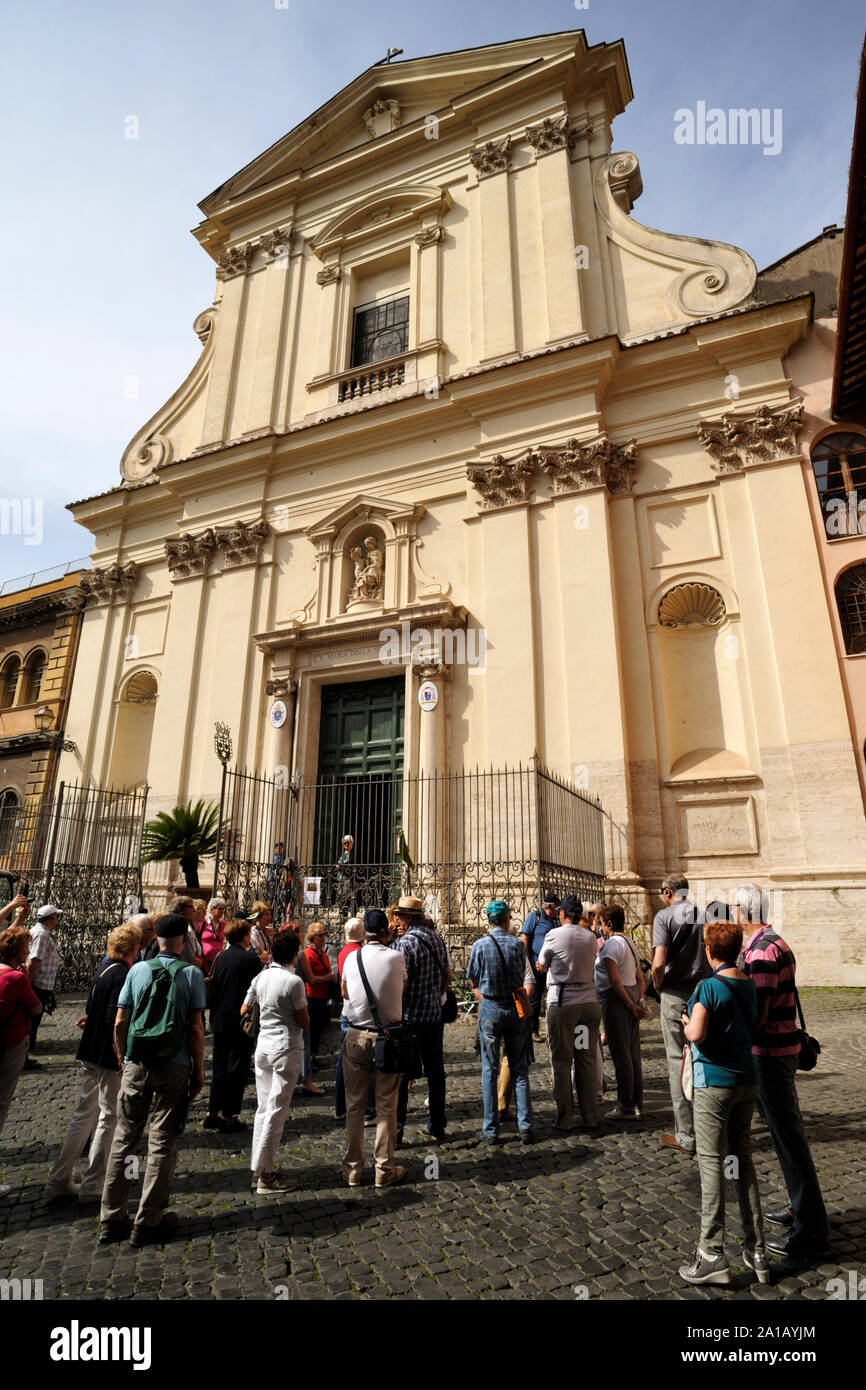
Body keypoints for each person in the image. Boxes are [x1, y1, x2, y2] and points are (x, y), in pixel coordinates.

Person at [99, 912, 205, 1247]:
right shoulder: (192, 973)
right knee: (161, 1142)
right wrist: (199, 1070)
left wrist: (122, 1056)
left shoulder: (138, 970)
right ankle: (148, 1220)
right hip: (173, 1065)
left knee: (125, 1138)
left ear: (155, 939)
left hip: (136, 1062)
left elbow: (120, 1021)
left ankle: (112, 1217)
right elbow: (195, 1029)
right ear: (184, 941)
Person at [736, 882, 830, 1258]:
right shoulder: (777, 941)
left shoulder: (760, 953)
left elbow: (757, 1015)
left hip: (770, 1055)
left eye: (734, 909)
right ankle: (799, 1207)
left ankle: (811, 1231)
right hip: (783, 1048)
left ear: (745, 912)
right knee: (786, 1136)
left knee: (790, 1141)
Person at [679, 918, 768, 1286]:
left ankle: (711, 1253)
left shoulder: (708, 987)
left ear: (710, 950)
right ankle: (758, 1249)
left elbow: (696, 1034)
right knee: (742, 1160)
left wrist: (685, 1024)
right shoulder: (749, 985)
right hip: (747, 1080)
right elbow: (757, 1025)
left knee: (712, 1165)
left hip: (713, 1084)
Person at [44, 922, 142, 1203]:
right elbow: (115, 1017)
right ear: (133, 948)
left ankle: (58, 1178)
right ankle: (92, 1184)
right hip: (109, 1056)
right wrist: (122, 1055)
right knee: (108, 1118)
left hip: (89, 1050)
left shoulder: (104, 968)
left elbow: (92, 1006)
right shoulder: (124, 973)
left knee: (83, 1116)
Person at [340, 907, 406, 1187]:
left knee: (354, 1105)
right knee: (386, 1106)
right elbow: (402, 989)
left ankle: (353, 1169)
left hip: (355, 1034)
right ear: (386, 931)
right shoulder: (396, 957)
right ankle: (383, 1169)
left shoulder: (352, 957)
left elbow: (343, 992)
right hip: (386, 1039)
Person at [243, 928, 309, 1194]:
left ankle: (257, 1168)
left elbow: (244, 1009)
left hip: (263, 1046)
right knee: (276, 1111)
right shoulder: (293, 982)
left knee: (263, 1108)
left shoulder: (261, 977)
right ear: (294, 954)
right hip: (286, 1046)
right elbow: (303, 1020)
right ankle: (266, 1176)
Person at [468, 900, 534, 1145]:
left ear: (489, 920)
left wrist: (484, 992)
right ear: (507, 920)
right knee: (519, 1069)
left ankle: (491, 1129)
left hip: (491, 1008)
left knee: (490, 1070)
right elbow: (520, 975)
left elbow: (473, 980)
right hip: (515, 1009)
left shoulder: (479, 946)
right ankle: (525, 1127)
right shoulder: (517, 945)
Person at [536, 893, 600, 1131]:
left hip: (564, 1006)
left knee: (562, 1061)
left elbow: (542, 963)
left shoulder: (554, 934)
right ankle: (590, 1116)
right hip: (588, 1006)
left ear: (562, 913)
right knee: (585, 1059)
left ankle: (564, 1119)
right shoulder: (591, 937)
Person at [651, 874, 706, 1154]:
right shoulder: (705, 915)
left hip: (674, 995)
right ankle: (709, 1127)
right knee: (703, 1058)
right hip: (702, 995)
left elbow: (659, 962)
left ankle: (685, 1134)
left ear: (667, 892)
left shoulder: (663, 917)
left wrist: (657, 986)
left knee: (677, 1061)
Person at [394, 896, 452, 1146]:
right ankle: (437, 1126)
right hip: (433, 1016)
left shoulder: (404, 944)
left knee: (403, 1077)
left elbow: (400, 984)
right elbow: (446, 975)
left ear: (406, 918)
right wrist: (436, 996)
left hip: (409, 1018)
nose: (395, 920)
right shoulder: (436, 938)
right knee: (435, 1073)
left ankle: (396, 1133)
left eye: (398, 916)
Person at [205, 917, 262, 1132]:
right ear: (245, 936)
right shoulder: (250, 960)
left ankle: (212, 1111)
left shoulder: (221, 957)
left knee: (219, 1064)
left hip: (220, 1018)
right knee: (237, 1068)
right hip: (241, 1020)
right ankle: (229, 1116)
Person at [0, 924, 42, 1193]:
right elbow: (35, 1008)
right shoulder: (16, 978)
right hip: (9, 1045)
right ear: (17, 954)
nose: (29, 951)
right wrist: (25, 975)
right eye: (26, 948)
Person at [595, 905, 645, 1119]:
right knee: (632, 1053)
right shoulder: (630, 943)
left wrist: (630, 1005)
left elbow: (615, 981)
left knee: (621, 1054)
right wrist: (639, 1000)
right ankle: (637, 1102)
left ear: (609, 924)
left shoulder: (613, 945)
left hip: (618, 1001)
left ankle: (626, 1105)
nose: (600, 929)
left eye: (601, 924)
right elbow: (640, 978)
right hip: (631, 995)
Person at [334, 917, 375, 1126]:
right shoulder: (355, 953)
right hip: (357, 1013)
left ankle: (340, 1107)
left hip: (348, 1009)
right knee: (362, 1064)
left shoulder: (343, 951)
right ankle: (367, 1110)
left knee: (345, 1060)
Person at [26, 902, 63, 1068]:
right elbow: (34, 960)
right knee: (32, 1020)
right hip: (38, 984)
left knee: (33, 1020)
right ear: (51, 918)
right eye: (57, 916)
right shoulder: (41, 934)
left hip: (40, 983)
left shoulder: (42, 931)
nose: (58, 919)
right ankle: (25, 1052)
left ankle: (26, 1051)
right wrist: (28, 984)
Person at [520, 894, 560, 1038]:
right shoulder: (535, 917)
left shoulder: (555, 922)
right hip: (534, 964)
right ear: (550, 907)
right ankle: (533, 1030)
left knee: (549, 997)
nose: (559, 911)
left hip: (549, 967)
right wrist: (526, 961)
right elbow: (525, 937)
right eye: (557, 908)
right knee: (535, 999)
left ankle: (551, 1029)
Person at [302, 923, 336, 1059]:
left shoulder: (322, 952)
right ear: (311, 938)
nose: (323, 938)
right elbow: (310, 978)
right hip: (312, 997)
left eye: (324, 934)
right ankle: (308, 1059)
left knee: (318, 1029)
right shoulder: (308, 954)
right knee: (312, 1030)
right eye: (319, 935)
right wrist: (326, 978)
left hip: (322, 996)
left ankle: (313, 1056)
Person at [168, 895, 204, 970]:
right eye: (191, 907)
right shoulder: (172, 927)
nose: (194, 910)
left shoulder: (190, 927)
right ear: (180, 909)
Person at [200, 898, 227, 972]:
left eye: (223, 909)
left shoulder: (223, 924)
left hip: (218, 960)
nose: (222, 911)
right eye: (220, 909)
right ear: (212, 910)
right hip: (205, 960)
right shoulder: (203, 923)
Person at [250, 901, 274, 965]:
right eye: (266, 915)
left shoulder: (269, 931)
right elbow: (261, 953)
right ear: (259, 916)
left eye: (270, 914)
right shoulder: (253, 932)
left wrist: (274, 937)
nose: (270, 917)